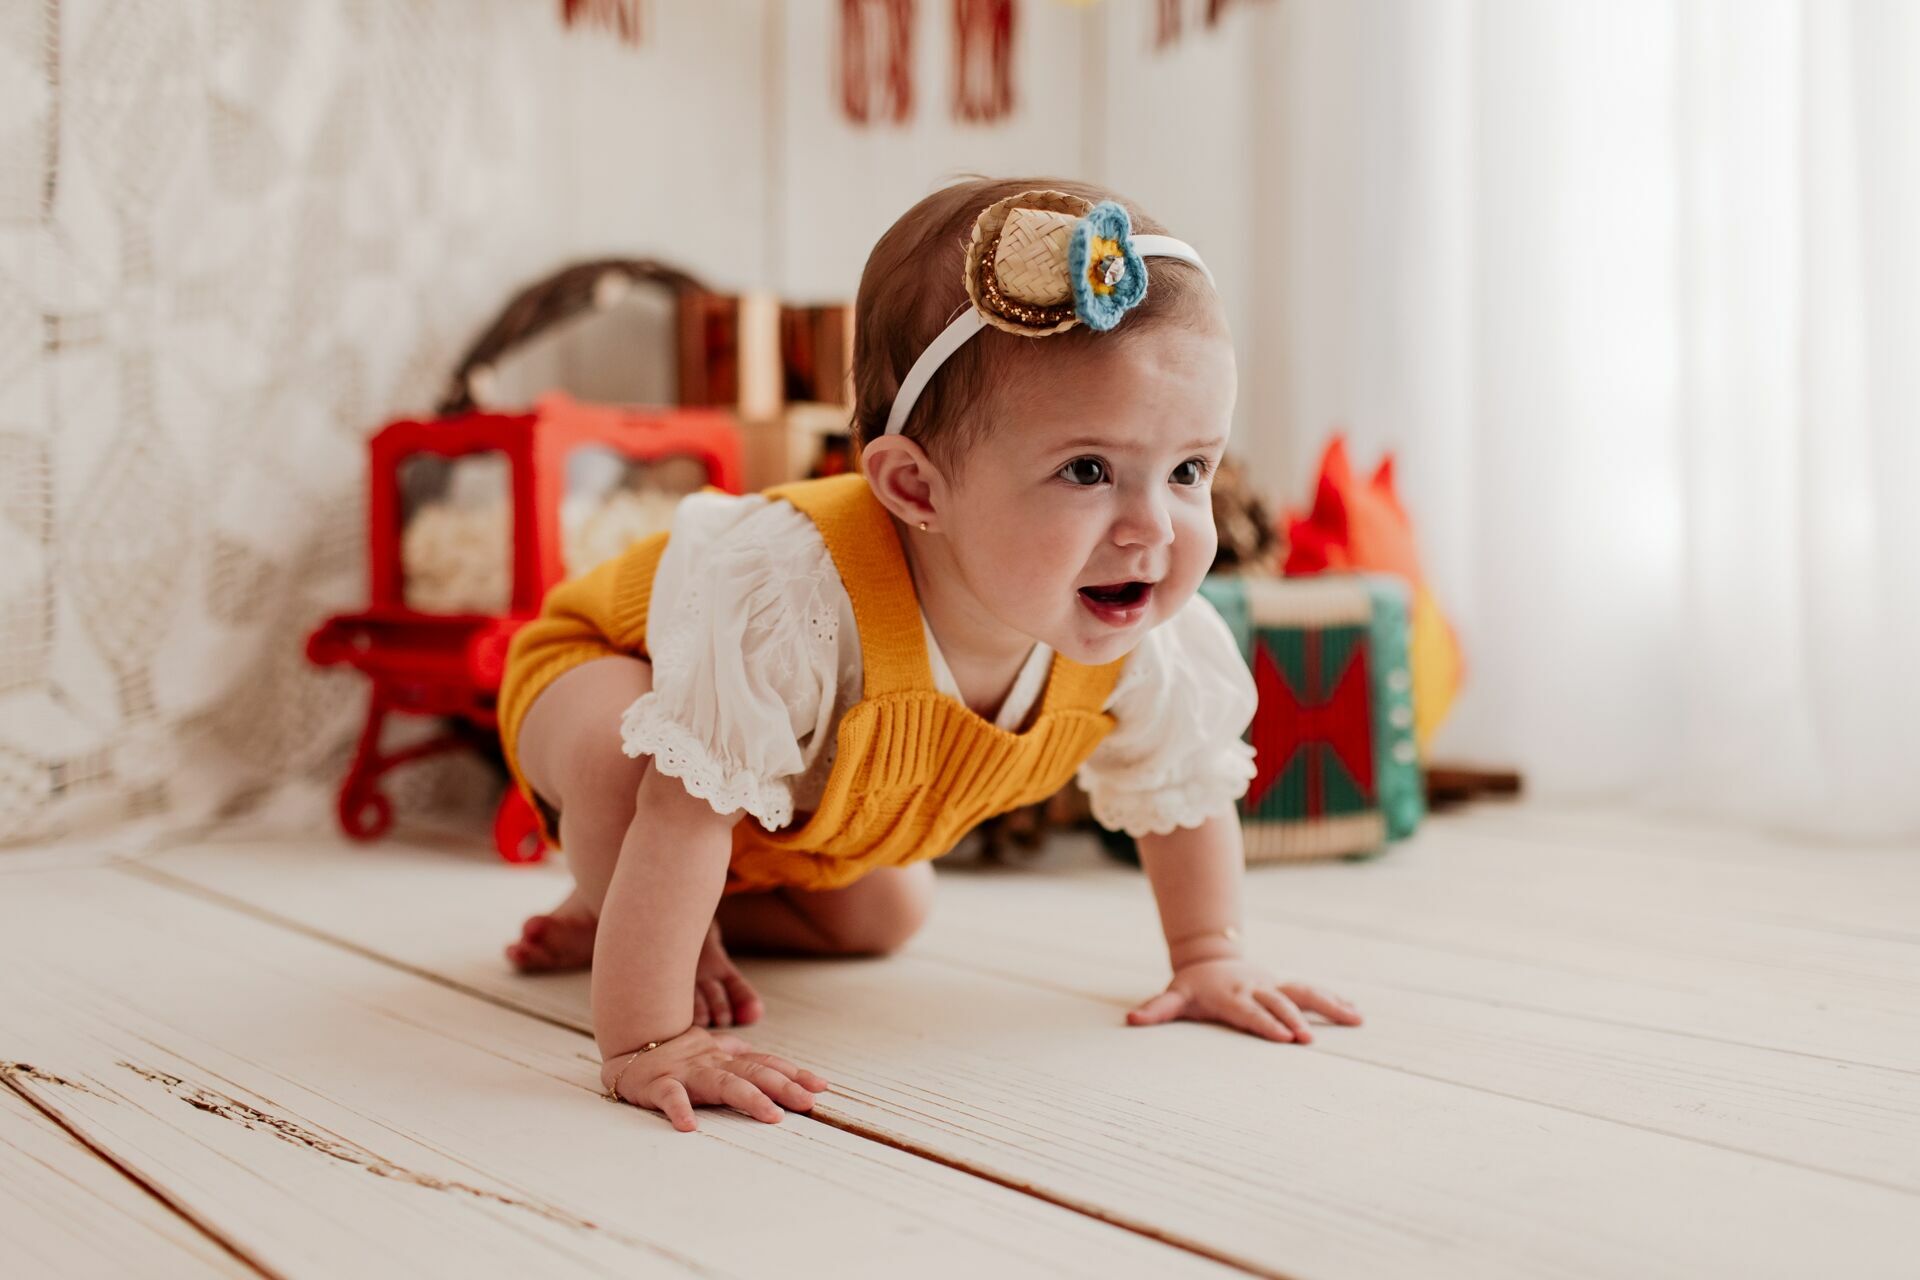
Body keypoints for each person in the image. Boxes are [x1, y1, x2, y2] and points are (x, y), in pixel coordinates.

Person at [496, 177, 1364, 1133]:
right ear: (917, 488)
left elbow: (1183, 796)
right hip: (613, 677)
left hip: (794, 810)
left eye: (1189, 469)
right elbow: (682, 804)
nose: (1153, 527)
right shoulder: (798, 591)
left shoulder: (1148, 638)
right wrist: (653, 1036)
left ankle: (631, 911)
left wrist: (1209, 955)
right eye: (1088, 470)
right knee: (625, 771)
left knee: (887, 916)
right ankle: (637, 921)